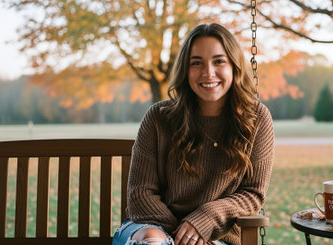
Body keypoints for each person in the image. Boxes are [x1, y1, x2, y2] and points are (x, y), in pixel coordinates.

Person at [112, 23, 274, 245]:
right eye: (196, 63)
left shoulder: (256, 119)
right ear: (185, 70)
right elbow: (140, 194)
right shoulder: (158, 117)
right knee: (152, 241)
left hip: (217, 234)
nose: (208, 73)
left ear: (234, 66)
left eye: (219, 61)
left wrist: (206, 219)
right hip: (150, 226)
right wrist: (184, 236)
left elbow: (252, 194)